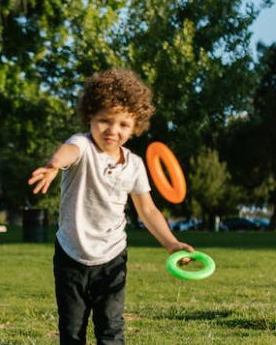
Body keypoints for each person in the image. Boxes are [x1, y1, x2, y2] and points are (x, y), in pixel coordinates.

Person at [28, 69, 194, 345]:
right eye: (105, 120)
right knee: (71, 330)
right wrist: (53, 166)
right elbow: (69, 151)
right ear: (90, 116)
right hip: (71, 254)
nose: (112, 131)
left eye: (123, 125)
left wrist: (171, 243)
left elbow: (149, 211)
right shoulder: (82, 145)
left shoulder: (135, 165)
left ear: (135, 125)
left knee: (111, 329)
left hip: (112, 256)